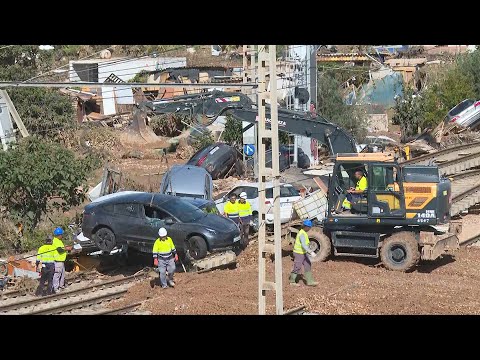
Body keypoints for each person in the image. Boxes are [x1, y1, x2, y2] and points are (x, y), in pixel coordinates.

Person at [289, 220, 318, 287]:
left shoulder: (304, 232)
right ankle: (292, 281)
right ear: (306, 227)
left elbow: (306, 244)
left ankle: (310, 281)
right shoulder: (302, 233)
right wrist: (311, 252)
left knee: (308, 264)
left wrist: (309, 248)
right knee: (297, 266)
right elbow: (303, 245)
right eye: (309, 227)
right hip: (299, 253)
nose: (310, 229)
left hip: (303, 252)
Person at [52, 227, 70, 293]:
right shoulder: (55, 241)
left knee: (62, 274)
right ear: (59, 235)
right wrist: (67, 249)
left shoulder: (58, 241)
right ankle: (56, 288)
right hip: (57, 261)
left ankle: (61, 286)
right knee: (57, 275)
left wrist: (66, 247)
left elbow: (61, 248)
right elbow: (60, 250)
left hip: (61, 261)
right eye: (61, 235)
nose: (62, 236)